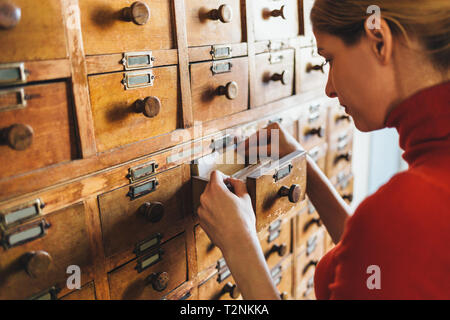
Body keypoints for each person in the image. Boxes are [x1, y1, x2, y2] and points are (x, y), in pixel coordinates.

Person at [197, 0, 450, 300]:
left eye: (329, 59)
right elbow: (384, 263)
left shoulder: (403, 211)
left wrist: (239, 244)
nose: (329, 88)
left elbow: (388, 237)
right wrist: (305, 170)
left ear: (379, 42)